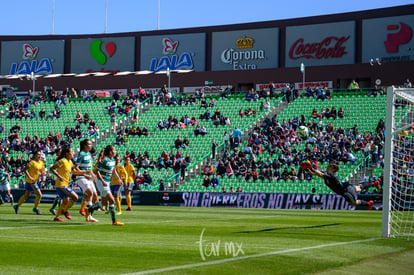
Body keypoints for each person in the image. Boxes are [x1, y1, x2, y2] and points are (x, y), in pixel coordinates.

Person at [303, 161, 377, 209]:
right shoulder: (327, 172)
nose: (328, 165)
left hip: (346, 191)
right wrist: (309, 169)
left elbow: (319, 174)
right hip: (346, 186)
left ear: (334, 169)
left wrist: (311, 169)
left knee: (354, 203)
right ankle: (373, 183)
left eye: (330, 166)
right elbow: (317, 172)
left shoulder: (332, 176)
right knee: (359, 188)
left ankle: (368, 203)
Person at [90, 145, 124, 226]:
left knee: (104, 203)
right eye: (114, 150)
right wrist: (102, 181)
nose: (115, 151)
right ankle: (114, 221)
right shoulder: (104, 160)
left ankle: (89, 210)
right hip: (101, 182)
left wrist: (119, 179)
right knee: (112, 200)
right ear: (110, 152)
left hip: (107, 182)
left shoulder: (113, 160)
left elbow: (113, 170)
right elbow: (97, 171)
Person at [50, 147, 85, 222]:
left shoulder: (70, 162)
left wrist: (85, 173)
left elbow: (74, 172)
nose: (73, 153)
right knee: (75, 197)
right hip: (61, 184)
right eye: (71, 152)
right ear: (67, 153)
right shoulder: (62, 161)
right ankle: (65, 211)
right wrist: (59, 176)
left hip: (65, 183)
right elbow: (52, 168)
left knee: (66, 201)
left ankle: (57, 217)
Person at [73, 139, 99, 222]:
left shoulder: (89, 154)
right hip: (81, 177)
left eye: (91, 144)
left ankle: (88, 214)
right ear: (84, 145)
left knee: (95, 196)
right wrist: (84, 174)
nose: (91, 146)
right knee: (90, 193)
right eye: (89, 144)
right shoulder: (81, 154)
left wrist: (92, 174)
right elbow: (76, 167)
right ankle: (90, 216)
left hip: (88, 177)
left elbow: (89, 167)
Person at [13, 151, 45, 215]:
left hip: (33, 180)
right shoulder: (32, 162)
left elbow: (41, 170)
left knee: (26, 195)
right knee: (39, 195)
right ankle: (35, 208)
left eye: (40, 154)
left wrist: (43, 175)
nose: (39, 156)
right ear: (34, 156)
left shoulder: (41, 162)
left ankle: (17, 206)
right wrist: (30, 177)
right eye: (38, 154)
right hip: (31, 181)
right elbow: (24, 169)